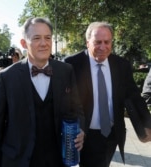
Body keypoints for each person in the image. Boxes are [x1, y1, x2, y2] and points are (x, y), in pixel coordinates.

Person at [0, 17, 85, 167]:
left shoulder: (65, 71)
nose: (43, 43)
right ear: (23, 43)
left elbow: (77, 107)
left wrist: (82, 130)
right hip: (18, 159)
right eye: (36, 38)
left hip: (57, 159)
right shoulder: (7, 76)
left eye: (47, 38)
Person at [63, 21, 151, 167]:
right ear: (87, 42)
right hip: (85, 134)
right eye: (98, 42)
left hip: (112, 134)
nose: (103, 47)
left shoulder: (121, 65)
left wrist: (148, 123)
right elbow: (64, 100)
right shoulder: (71, 64)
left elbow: (134, 95)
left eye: (107, 42)